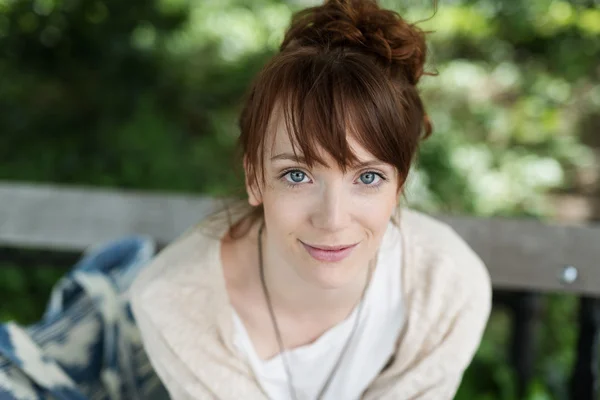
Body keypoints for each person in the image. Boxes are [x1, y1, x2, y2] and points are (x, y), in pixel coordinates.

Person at [129, 0, 492, 399]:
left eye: (368, 177)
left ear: (399, 185)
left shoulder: (446, 287)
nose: (333, 219)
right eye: (297, 175)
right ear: (255, 178)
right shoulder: (174, 302)